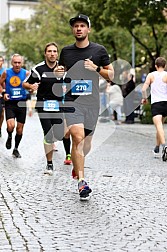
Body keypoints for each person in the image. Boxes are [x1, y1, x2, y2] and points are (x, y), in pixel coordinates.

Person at [57, 14, 114, 199]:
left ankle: (77, 164)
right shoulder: (66, 51)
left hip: (92, 103)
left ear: (88, 29)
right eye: (76, 26)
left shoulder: (99, 50)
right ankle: (82, 182)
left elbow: (111, 75)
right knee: (77, 137)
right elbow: (61, 71)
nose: (79, 29)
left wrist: (97, 69)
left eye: (82, 26)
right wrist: (58, 72)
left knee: (86, 145)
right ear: (73, 30)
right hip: (73, 102)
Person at [23, 42, 71, 175]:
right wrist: (31, 87)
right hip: (43, 104)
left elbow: (71, 82)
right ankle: (49, 164)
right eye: (49, 51)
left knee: (63, 133)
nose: (52, 54)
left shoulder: (63, 68)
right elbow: (25, 83)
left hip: (59, 104)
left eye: (55, 51)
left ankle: (68, 153)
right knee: (48, 134)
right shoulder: (38, 69)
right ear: (45, 53)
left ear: (57, 54)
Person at [0, 54, 29, 157]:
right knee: (10, 126)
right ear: (12, 63)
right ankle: (9, 136)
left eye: (19, 62)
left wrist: (30, 90)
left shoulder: (26, 73)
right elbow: (0, 83)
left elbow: (31, 85)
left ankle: (16, 148)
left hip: (21, 103)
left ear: (22, 63)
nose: (17, 65)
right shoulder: (6, 72)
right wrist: (4, 92)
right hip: (10, 103)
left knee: (20, 129)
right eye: (15, 62)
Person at [142, 57, 167, 161]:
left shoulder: (151, 75)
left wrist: (144, 98)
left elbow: (144, 89)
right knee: (160, 126)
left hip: (156, 103)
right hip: (166, 103)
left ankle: (164, 146)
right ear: (165, 66)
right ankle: (157, 147)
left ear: (156, 66)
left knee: (159, 126)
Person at [0, 56, 5, 137]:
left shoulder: (5, 71)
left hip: (2, 95)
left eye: (1, 61)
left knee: (1, 113)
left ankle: (0, 128)